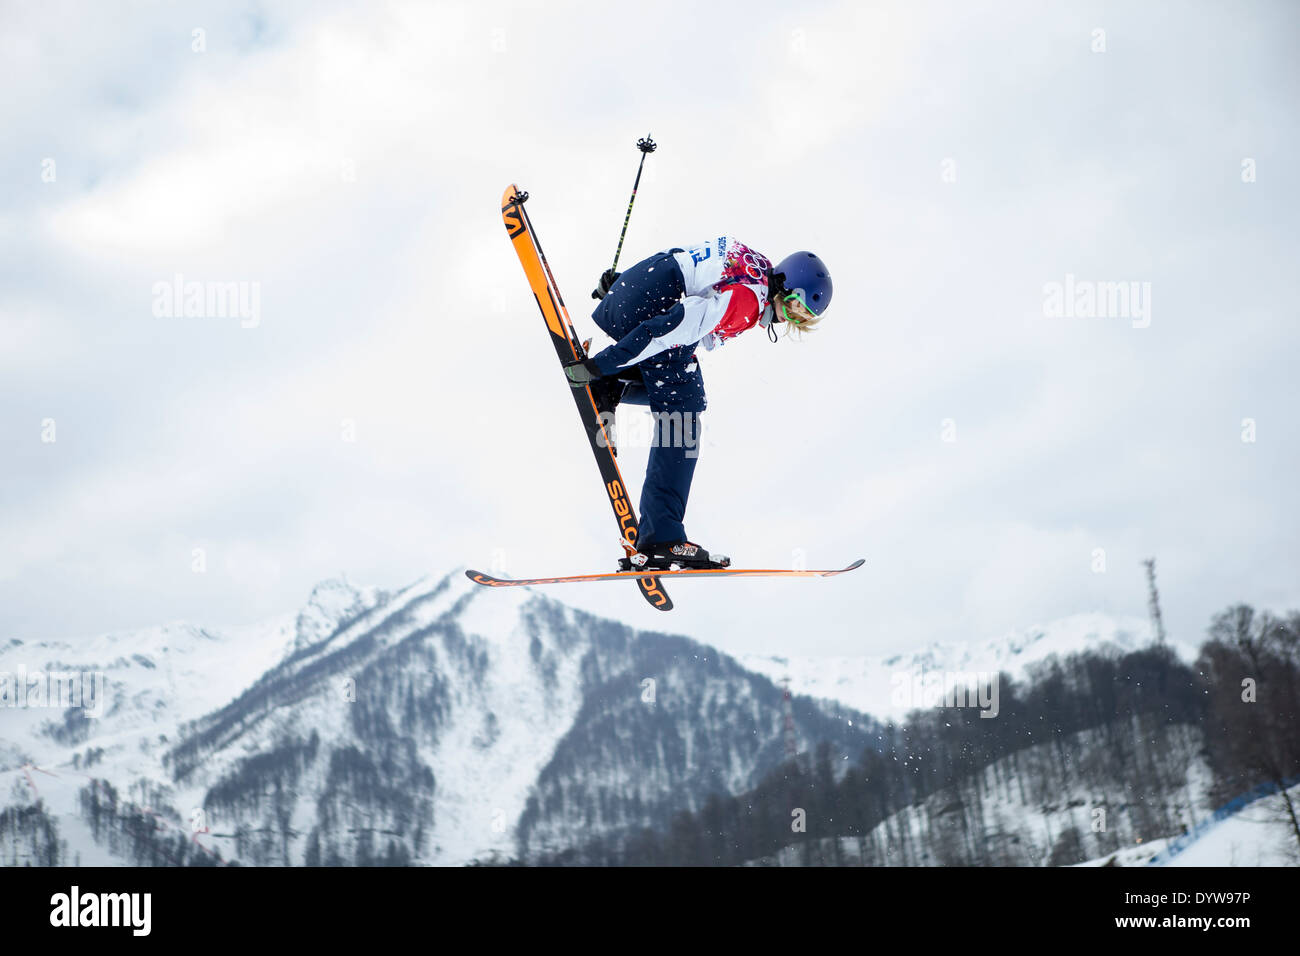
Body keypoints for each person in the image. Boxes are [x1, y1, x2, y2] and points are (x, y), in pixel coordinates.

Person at [562, 237, 832, 570]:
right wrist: (602, 364)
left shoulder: (754, 269)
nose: (790, 319)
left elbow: (684, 261)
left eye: (802, 318)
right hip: (650, 307)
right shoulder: (749, 299)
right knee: (683, 413)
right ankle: (662, 536)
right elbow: (674, 327)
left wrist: (623, 289)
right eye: (794, 307)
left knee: (690, 395)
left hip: (642, 294)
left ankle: (612, 387)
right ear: (785, 284)